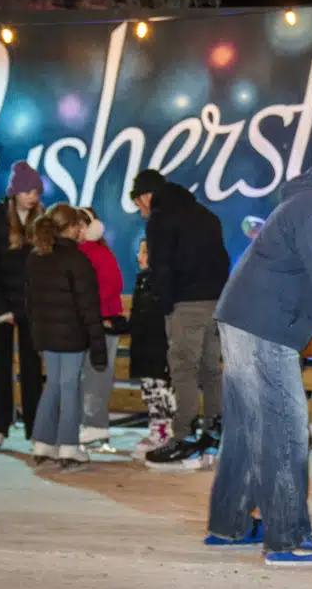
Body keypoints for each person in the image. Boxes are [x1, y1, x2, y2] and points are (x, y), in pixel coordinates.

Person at [206, 128, 312, 565]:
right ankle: (287, 537)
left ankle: (231, 525)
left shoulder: (309, 204)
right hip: (263, 328)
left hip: (245, 320)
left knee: (248, 429)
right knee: (284, 428)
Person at [129, 168, 230, 468]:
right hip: (216, 303)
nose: (140, 211)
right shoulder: (206, 215)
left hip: (186, 305)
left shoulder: (162, 219)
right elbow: (224, 260)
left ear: (147, 195)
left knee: (184, 371)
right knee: (212, 370)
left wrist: (164, 303)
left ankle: (184, 437)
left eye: (138, 203)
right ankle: (214, 432)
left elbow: (161, 267)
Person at [25, 203, 108, 471]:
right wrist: (98, 344)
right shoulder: (77, 260)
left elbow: (30, 303)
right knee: (70, 386)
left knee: (54, 385)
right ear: (71, 228)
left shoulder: (36, 257)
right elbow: (89, 307)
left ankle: (43, 442)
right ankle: (69, 446)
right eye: (78, 225)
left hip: (46, 335)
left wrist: (36, 335)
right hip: (72, 336)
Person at [0, 161, 46, 450]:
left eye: (36, 191)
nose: (32, 196)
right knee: (0, 366)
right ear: (15, 192)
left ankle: (35, 429)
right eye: (27, 191)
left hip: (33, 306)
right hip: (2, 305)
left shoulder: (43, 221)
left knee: (32, 369)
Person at [74, 206, 126, 452]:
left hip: (101, 324)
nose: (79, 231)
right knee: (87, 377)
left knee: (96, 376)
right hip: (85, 323)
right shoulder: (76, 253)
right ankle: (89, 425)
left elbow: (112, 285)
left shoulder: (98, 253)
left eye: (82, 226)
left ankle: (95, 425)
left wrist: (91, 311)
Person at [129, 238, 177, 456]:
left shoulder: (163, 284)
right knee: (150, 391)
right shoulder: (142, 281)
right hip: (144, 350)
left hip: (159, 350)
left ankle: (165, 433)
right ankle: (157, 430)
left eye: (143, 252)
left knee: (162, 392)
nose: (139, 257)